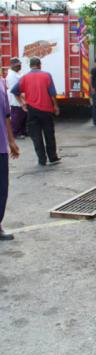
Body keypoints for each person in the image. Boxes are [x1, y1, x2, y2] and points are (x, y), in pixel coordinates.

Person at [11, 57, 61, 166]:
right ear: (39, 65)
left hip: (32, 110)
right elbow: (52, 93)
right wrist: (56, 106)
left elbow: (14, 91)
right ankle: (53, 157)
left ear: (30, 65)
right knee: (49, 134)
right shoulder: (47, 75)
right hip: (46, 110)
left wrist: (22, 103)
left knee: (36, 136)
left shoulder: (25, 77)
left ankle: (41, 160)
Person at [0, 76, 20, 240]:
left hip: (0, 146)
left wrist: (11, 140)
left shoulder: (1, 82)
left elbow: (6, 114)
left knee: (2, 189)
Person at [6, 58, 27, 139]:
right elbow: (15, 90)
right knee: (16, 118)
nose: (20, 66)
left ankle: (23, 131)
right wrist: (22, 100)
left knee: (23, 116)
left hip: (20, 98)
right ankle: (15, 133)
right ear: (13, 66)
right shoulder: (11, 76)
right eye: (18, 65)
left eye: (20, 64)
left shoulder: (16, 73)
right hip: (16, 99)